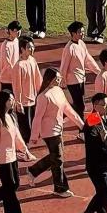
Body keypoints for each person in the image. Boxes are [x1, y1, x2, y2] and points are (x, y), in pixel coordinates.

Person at [27, 68, 82, 196]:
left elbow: (67, 109)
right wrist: (34, 136)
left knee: (55, 156)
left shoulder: (58, 91)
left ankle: (33, 170)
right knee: (58, 159)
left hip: (58, 128)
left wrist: (81, 124)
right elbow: (37, 117)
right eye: (57, 78)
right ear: (49, 79)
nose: (59, 80)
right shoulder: (43, 97)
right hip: (49, 132)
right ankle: (60, 188)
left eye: (59, 78)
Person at [0, 89, 31, 213]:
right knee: (10, 187)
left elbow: (17, 136)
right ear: (4, 102)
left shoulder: (10, 117)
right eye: (10, 99)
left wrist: (24, 149)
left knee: (14, 184)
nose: (13, 101)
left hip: (12, 157)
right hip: (3, 159)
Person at [59, 21, 100, 115]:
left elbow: (88, 59)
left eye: (83, 31)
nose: (83, 33)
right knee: (80, 105)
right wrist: (62, 81)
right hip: (73, 81)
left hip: (81, 78)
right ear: (73, 33)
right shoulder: (69, 49)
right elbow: (64, 66)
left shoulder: (81, 43)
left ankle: (67, 114)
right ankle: (79, 123)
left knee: (79, 104)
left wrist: (98, 71)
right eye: (80, 32)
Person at [10, 35, 41, 142]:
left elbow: (38, 78)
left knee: (33, 125)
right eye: (29, 47)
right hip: (24, 102)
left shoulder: (33, 60)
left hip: (33, 99)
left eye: (32, 47)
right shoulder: (18, 66)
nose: (32, 49)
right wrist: (18, 103)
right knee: (25, 128)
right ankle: (23, 147)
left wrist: (40, 93)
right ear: (22, 49)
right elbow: (17, 86)